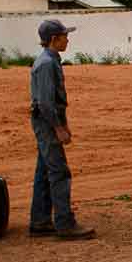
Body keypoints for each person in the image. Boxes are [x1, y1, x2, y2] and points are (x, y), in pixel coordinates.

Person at [29, 17, 95, 240]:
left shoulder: (49, 60)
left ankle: (40, 221)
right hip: (47, 122)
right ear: (54, 39)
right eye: (64, 36)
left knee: (44, 171)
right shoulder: (47, 63)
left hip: (46, 121)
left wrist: (63, 122)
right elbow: (46, 103)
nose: (67, 39)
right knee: (59, 172)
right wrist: (58, 127)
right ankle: (65, 224)